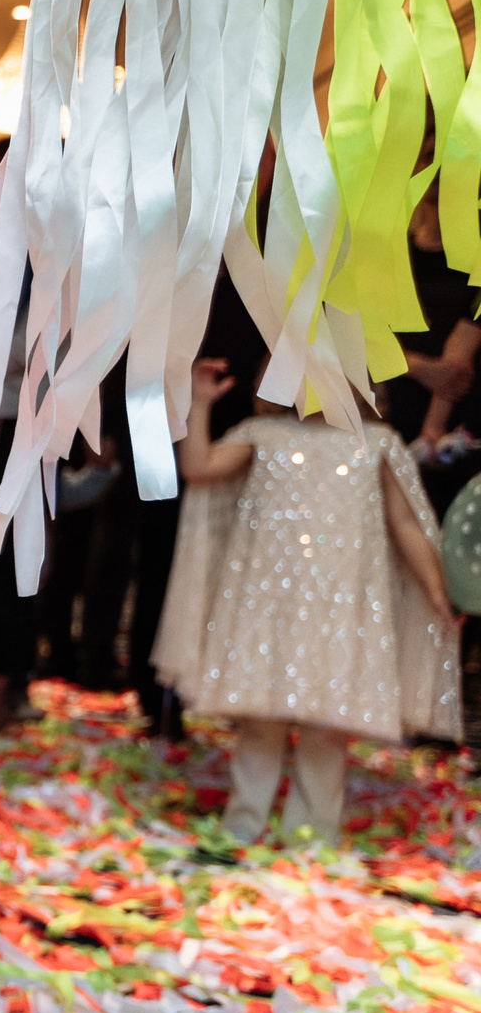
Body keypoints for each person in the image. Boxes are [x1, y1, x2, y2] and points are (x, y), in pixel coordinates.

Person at [153, 358, 461, 846]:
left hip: (343, 609)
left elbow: (406, 526)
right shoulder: (262, 432)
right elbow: (199, 468)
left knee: (327, 727)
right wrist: (199, 403)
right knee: (260, 720)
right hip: (267, 604)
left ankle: (312, 836)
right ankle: (243, 822)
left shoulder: (377, 443)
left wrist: (437, 593)